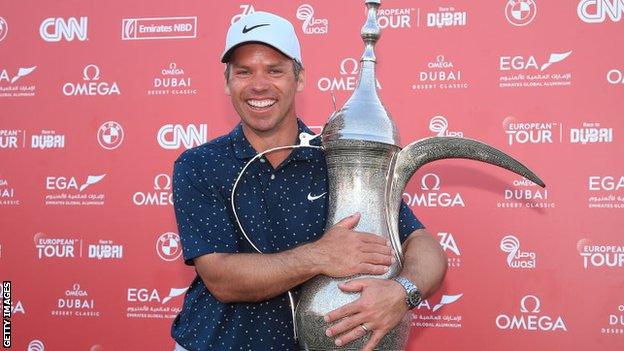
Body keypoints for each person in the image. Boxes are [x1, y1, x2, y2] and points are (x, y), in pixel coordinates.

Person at [171, 11, 447, 351]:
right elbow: (222, 279)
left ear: (299, 79)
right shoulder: (199, 165)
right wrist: (320, 256)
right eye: (244, 72)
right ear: (227, 82)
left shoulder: (338, 160)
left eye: (275, 70)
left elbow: (424, 245)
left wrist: (402, 291)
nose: (259, 84)